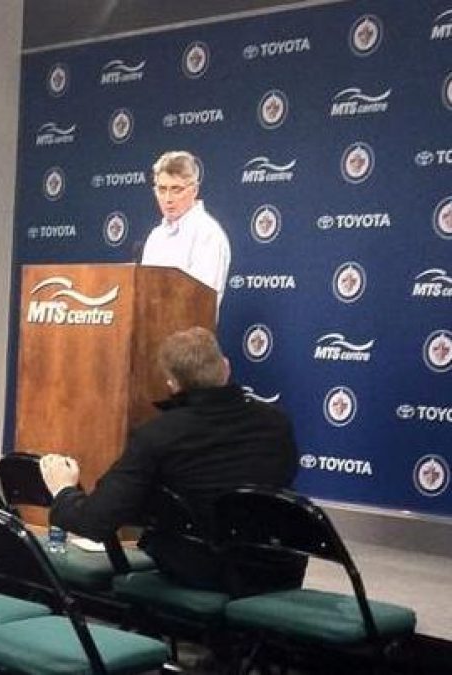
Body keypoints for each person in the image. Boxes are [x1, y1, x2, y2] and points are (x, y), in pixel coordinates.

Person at [40, 326, 301, 595]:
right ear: (226, 367)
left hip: (201, 571)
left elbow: (96, 522)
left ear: (172, 384)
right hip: (276, 569)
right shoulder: (277, 423)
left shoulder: (158, 435)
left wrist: (63, 491)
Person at [140, 151, 231, 306]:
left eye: (176, 189)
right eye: (162, 189)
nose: (168, 199)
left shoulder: (208, 234)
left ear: (194, 190)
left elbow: (201, 300)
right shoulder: (156, 236)